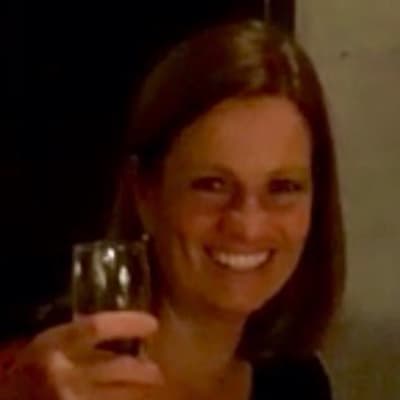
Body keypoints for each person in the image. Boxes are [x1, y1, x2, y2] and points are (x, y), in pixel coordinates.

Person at [0, 19, 345, 399]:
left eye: (282, 188)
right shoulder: (43, 373)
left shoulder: (296, 382)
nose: (248, 225)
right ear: (144, 193)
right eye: (212, 185)